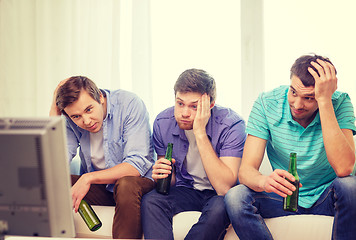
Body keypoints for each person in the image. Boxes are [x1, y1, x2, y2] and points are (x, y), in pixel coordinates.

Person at [225, 54, 356, 240]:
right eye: (293, 92)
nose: (297, 104)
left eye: (309, 98)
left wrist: (325, 101)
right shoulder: (266, 103)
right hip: (282, 196)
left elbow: (344, 168)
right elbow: (246, 171)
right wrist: (264, 181)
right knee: (235, 197)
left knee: (351, 186)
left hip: (326, 196)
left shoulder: (339, 102)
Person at [141, 69, 246, 240]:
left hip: (217, 194)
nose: (184, 113)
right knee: (151, 200)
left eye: (194, 106)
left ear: (210, 105)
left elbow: (224, 188)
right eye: (180, 103)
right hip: (186, 189)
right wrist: (162, 175)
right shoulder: (162, 123)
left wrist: (200, 131)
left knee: (221, 207)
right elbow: (170, 182)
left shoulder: (232, 125)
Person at [49, 76, 155, 239]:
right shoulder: (70, 120)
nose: (86, 121)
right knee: (53, 183)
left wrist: (87, 178)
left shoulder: (129, 104)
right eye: (76, 116)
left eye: (89, 110)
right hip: (102, 187)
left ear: (99, 96)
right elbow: (55, 164)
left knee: (125, 183)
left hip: (137, 184)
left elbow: (136, 165)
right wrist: (54, 115)